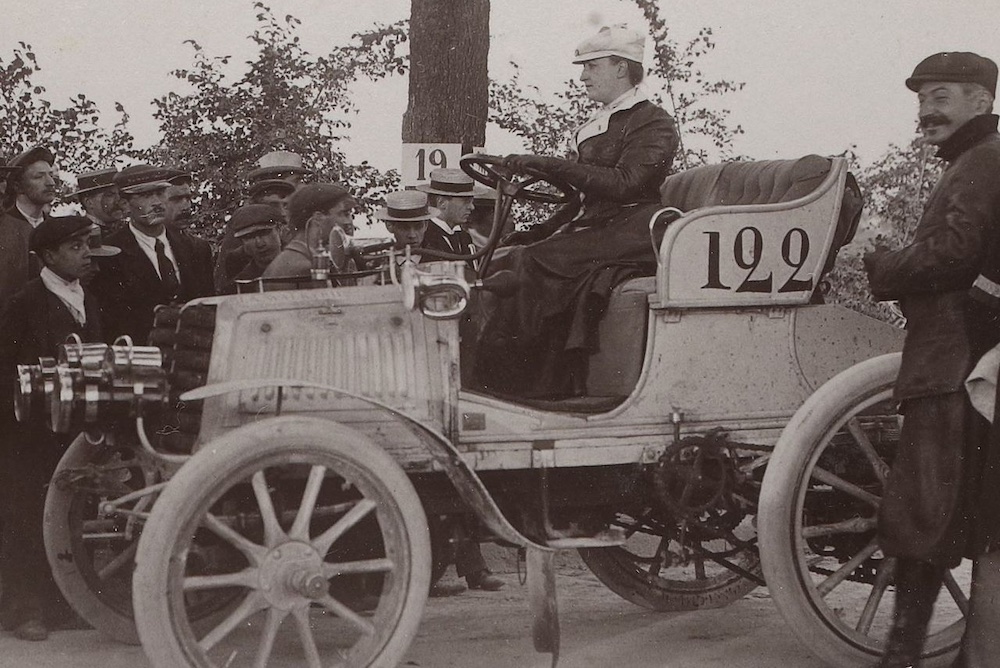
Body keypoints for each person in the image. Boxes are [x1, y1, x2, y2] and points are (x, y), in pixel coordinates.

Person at [862, 51, 1000, 668]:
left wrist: (885, 266)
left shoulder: (982, 162)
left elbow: (952, 254)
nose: (926, 111)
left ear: (981, 100)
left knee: (922, 518)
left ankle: (903, 660)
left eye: (940, 96)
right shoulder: (977, 160)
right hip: (960, 365)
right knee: (953, 520)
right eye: (920, 100)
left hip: (949, 367)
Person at [474, 25, 678, 398]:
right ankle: (498, 372)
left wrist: (551, 165)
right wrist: (540, 230)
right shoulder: (596, 124)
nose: (582, 76)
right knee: (509, 255)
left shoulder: (654, 121)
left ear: (622, 67)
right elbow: (577, 199)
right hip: (598, 228)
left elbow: (626, 184)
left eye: (591, 66)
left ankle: (522, 385)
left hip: (636, 229)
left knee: (532, 263)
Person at [0, 216, 105, 641]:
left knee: (70, 515)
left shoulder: (88, 300)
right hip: (30, 435)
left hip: (74, 430)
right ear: (47, 257)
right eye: (75, 246)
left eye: (86, 244)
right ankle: (24, 609)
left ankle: (65, 603)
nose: (86, 253)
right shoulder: (23, 303)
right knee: (27, 516)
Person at [93, 164, 214, 344]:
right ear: (125, 204)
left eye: (160, 193)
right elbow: (110, 323)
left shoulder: (197, 249)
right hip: (138, 358)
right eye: (146, 195)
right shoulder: (109, 254)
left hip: (193, 357)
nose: (157, 202)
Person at [262, 182, 355, 279]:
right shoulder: (305, 268)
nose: (348, 222)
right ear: (318, 218)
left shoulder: (297, 256)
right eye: (345, 214)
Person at [0, 146, 56, 306]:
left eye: (51, 176)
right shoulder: (4, 226)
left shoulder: (57, 228)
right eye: (39, 177)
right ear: (17, 186)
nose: (51, 183)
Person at [223, 204, 284, 293]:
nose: (259, 243)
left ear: (279, 230)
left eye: (264, 232)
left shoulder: (303, 268)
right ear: (242, 242)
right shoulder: (240, 285)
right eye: (249, 237)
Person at [417, 168, 476, 258]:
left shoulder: (465, 237)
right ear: (442, 202)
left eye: (471, 201)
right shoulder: (422, 237)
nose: (472, 207)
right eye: (466, 201)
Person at [71, 167, 126, 235]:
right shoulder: (82, 234)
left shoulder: (129, 229)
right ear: (89, 202)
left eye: (120, 194)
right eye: (110, 195)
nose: (119, 199)